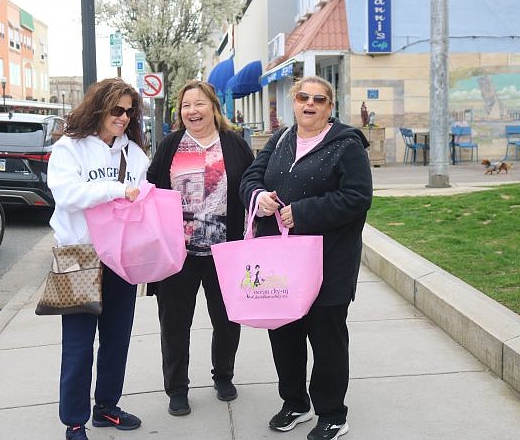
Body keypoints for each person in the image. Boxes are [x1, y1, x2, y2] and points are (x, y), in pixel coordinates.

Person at [239, 75, 372, 440]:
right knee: (285, 335)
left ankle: (332, 413)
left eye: (319, 99)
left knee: (326, 339)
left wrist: (303, 212)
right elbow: (250, 177)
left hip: (329, 261)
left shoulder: (347, 145)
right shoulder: (281, 138)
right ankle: (295, 402)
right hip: (281, 261)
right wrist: (259, 196)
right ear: (293, 103)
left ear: (330, 107)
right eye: (303, 97)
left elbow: (358, 197)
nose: (309, 104)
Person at [47, 78, 150, 440]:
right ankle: (74, 422)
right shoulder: (69, 148)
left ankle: (106, 407)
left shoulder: (133, 154)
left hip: (121, 256)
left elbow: (143, 199)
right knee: (78, 346)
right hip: (78, 256)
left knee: (117, 339)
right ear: (99, 108)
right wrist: (118, 190)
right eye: (116, 110)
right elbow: (67, 195)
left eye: (129, 112)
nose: (123, 117)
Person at [146, 80, 254, 417]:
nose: (192, 111)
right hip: (180, 253)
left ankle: (223, 376)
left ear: (214, 107)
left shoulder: (235, 146)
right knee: (175, 323)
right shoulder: (170, 146)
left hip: (225, 251)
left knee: (226, 320)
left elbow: (251, 186)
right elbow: (150, 186)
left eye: (199, 104)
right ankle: (177, 388)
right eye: (186, 105)